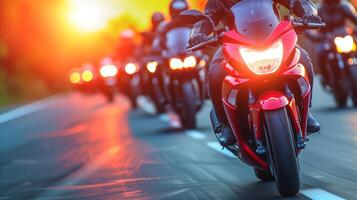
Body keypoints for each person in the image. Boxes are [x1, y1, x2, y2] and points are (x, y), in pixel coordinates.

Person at [188, 0, 322, 147]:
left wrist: (309, 14)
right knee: (215, 71)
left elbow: (297, 1)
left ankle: (305, 111)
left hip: (274, 39)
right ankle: (225, 124)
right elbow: (207, 19)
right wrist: (198, 34)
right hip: (236, 45)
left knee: (302, 58)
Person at [306, 0, 357, 86]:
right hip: (326, 39)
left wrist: (355, 31)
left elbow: (355, 19)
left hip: (344, 36)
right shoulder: (319, 9)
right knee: (321, 53)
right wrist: (315, 36)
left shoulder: (344, 6)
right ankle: (326, 78)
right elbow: (309, 27)